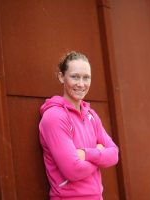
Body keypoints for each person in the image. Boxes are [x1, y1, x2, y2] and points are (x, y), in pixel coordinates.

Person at [39, 51, 119, 200]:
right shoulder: (55, 117)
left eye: (86, 78)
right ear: (61, 77)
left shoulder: (91, 115)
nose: (81, 84)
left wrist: (88, 154)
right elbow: (73, 170)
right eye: (75, 77)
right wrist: (100, 155)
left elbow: (114, 154)